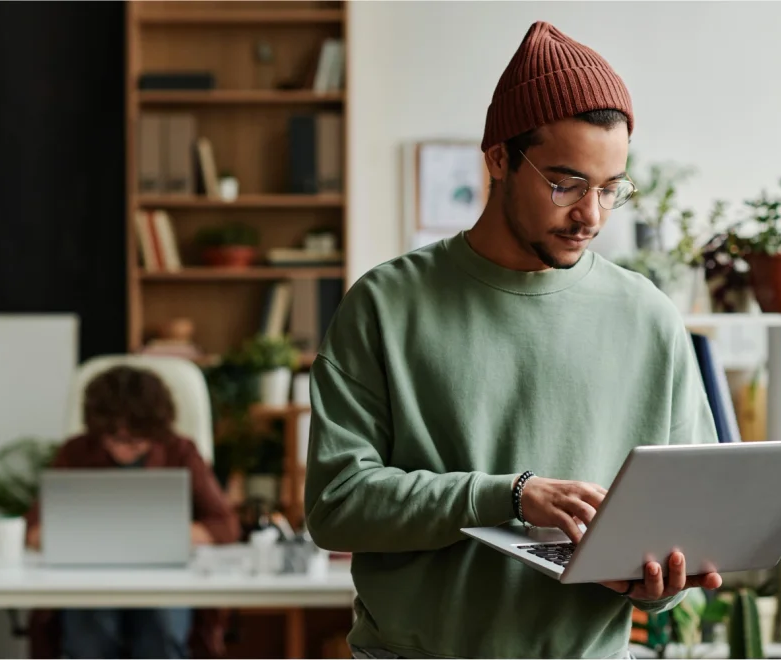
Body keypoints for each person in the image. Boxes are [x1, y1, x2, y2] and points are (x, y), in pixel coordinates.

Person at [304, 20, 722, 660]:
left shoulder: (650, 317)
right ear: (498, 158)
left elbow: (687, 519)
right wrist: (509, 495)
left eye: (611, 189)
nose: (591, 215)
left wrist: (661, 584)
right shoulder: (385, 305)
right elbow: (337, 503)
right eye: (566, 183)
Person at [24, 364, 240, 659]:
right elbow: (33, 530)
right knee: (90, 633)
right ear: (98, 429)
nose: (125, 448)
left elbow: (225, 525)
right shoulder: (76, 452)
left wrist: (164, 535)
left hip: (164, 577)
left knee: (162, 629)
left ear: (155, 431)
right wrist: (69, 537)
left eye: (136, 439)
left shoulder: (180, 451)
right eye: (115, 438)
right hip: (91, 578)